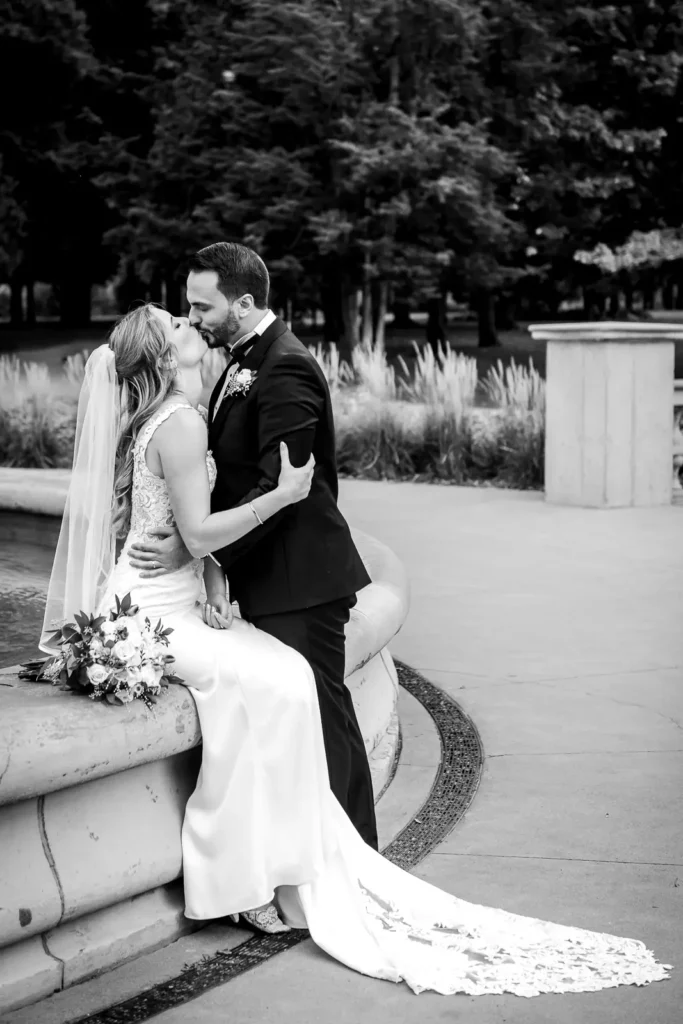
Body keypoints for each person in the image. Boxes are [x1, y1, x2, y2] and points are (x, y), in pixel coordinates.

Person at [40, 303, 672, 997]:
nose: (191, 323)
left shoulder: (168, 414)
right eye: (179, 322)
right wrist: (281, 496)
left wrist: (216, 580)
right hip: (158, 612)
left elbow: (178, 531)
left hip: (171, 598)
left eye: (192, 312)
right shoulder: (182, 421)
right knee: (280, 684)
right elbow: (191, 532)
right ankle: (240, 873)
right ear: (165, 354)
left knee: (284, 682)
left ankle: (275, 860)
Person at [127, 243, 378, 858]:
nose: (193, 318)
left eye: (201, 306)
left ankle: (357, 858)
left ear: (243, 303)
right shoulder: (239, 362)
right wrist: (211, 561)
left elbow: (281, 489)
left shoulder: (284, 366)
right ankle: (307, 853)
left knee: (324, 716)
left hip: (301, 581)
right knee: (293, 721)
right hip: (264, 576)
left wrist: (196, 553)